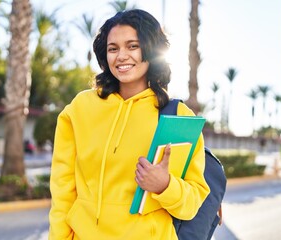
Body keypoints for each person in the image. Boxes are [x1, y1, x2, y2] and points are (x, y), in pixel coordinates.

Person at [48, 9, 209, 240]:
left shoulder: (177, 116)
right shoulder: (80, 108)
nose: (121, 56)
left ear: (151, 50)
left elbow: (192, 203)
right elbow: (63, 190)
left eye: (132, 46)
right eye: (113, 48)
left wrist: (165, 185)